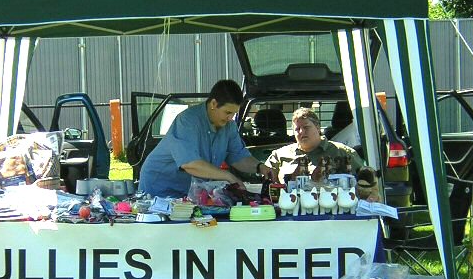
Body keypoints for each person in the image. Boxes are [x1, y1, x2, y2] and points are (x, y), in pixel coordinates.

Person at [139, 79, 272, 197]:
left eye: (234, 114)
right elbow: (190, 164)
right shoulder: (188, 121)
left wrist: (260, 167)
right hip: (158, 190)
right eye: (227, 112)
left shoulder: (229, 126)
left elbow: (238, 157)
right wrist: (228, 176)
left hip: (188, 193)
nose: (231, 118)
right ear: (213, 104)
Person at [264, 107, 368, 185]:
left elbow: (366, 182)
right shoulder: (279, 156)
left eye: (306, 127)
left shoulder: (342, 152)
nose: (301, 132)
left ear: (318, 128)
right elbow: (265, 185)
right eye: (297, 129)